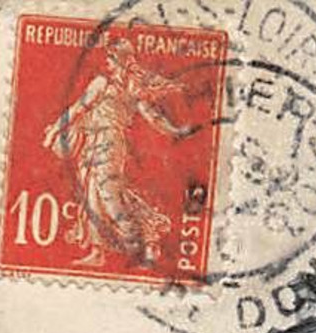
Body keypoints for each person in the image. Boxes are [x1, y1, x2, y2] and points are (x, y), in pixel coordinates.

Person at [42, 38, 199, 268]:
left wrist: (176, 131)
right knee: (92, 197)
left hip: (109, 143)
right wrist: (55, 130)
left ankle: (141, 243)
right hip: (90, 143)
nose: (107, 62)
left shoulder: (127, 87)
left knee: (110, 198)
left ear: (120, 60)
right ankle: (99, 252)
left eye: (111, 58)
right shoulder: (103, 83)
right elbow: (78, 108)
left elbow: (152, 116)